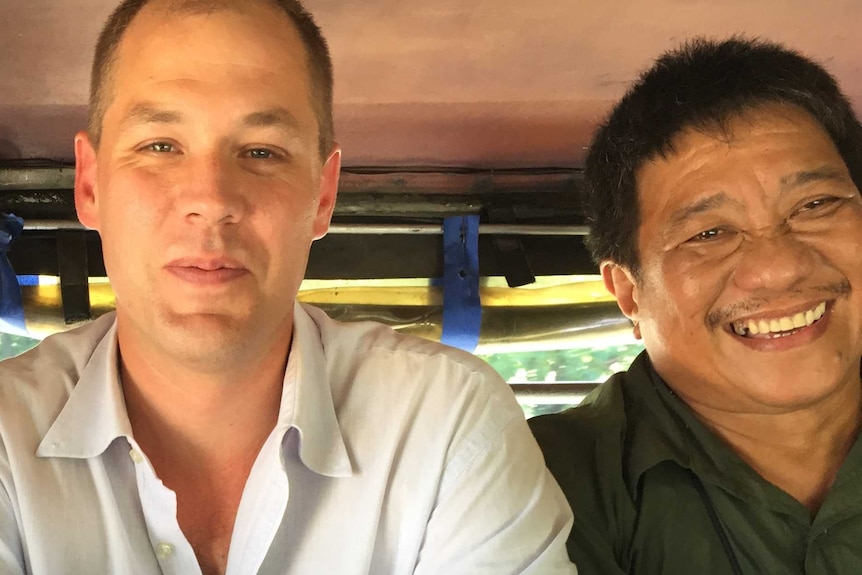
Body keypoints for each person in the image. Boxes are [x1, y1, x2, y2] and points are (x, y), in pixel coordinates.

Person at [0, 1, 576, 573]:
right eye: (160, 146)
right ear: (91, 184)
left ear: (323, 196)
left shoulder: (447, 424)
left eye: (261, 152)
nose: (212, 200)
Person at [530, 37, 862, 574]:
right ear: (629, 294)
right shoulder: (543, 482)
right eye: (709, 233)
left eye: (816, 205)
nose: (779, 266)